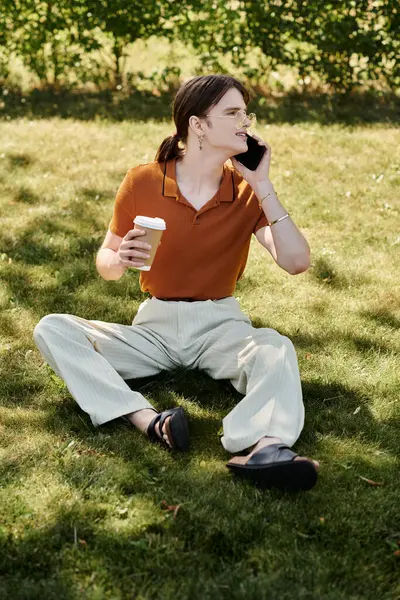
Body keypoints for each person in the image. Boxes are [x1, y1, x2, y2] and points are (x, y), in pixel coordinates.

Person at [34, 74, 319, 492]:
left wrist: (263, 186)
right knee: (52, 328)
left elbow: (296, 261)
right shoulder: (143, 181)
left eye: (246, 112)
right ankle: (148, 420)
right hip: (155, 327)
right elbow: (107, 262)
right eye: (233, 112)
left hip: (221, 326)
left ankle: (267, 446)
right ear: (198, 125)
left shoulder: (246, 190)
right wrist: (120, 259)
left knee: (275, 347)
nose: (247, 122)